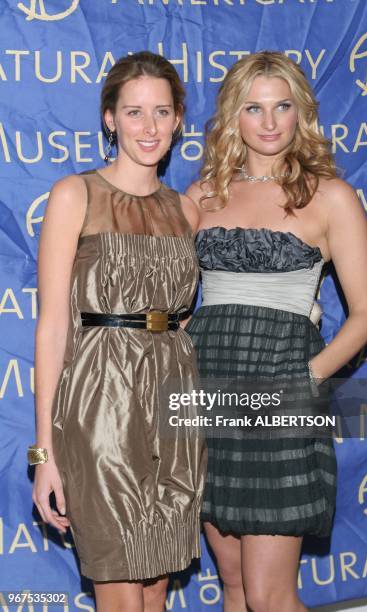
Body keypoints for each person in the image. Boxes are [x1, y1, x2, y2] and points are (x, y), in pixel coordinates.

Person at [185, 51, 367, 612]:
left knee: (271, 596)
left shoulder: (332, 197)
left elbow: (366, 312)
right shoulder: (203, 196)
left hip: (283, 391)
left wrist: (306, 379)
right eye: (253, 107)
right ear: (233, 116)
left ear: (301, 114)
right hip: (208, 391)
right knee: (236, 587)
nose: (269, 122)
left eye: (282, 106)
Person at [30, 51, 207, 612]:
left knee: (157, 586)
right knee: (121, 585)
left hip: (174, 401)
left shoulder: (188, 210)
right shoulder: (73, 195)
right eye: (133, 113)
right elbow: (53, 322)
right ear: (110, 119)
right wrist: (44, 455)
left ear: (179, 119)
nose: (148, 127)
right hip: (100, 401)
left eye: (161, 112)